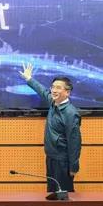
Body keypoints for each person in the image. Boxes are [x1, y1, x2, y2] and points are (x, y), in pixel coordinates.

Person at [19, 63, 82, 192]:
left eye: (58, 88)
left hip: (62, 162)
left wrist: (73, 167)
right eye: (53, 87)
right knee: (52, 192)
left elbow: (75, 142)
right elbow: (43, 91)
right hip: (51, 158)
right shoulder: (53, 103)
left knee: (63, 194)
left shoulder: (71, 113)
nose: (54, 90)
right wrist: (29, 79)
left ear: (67, 92)